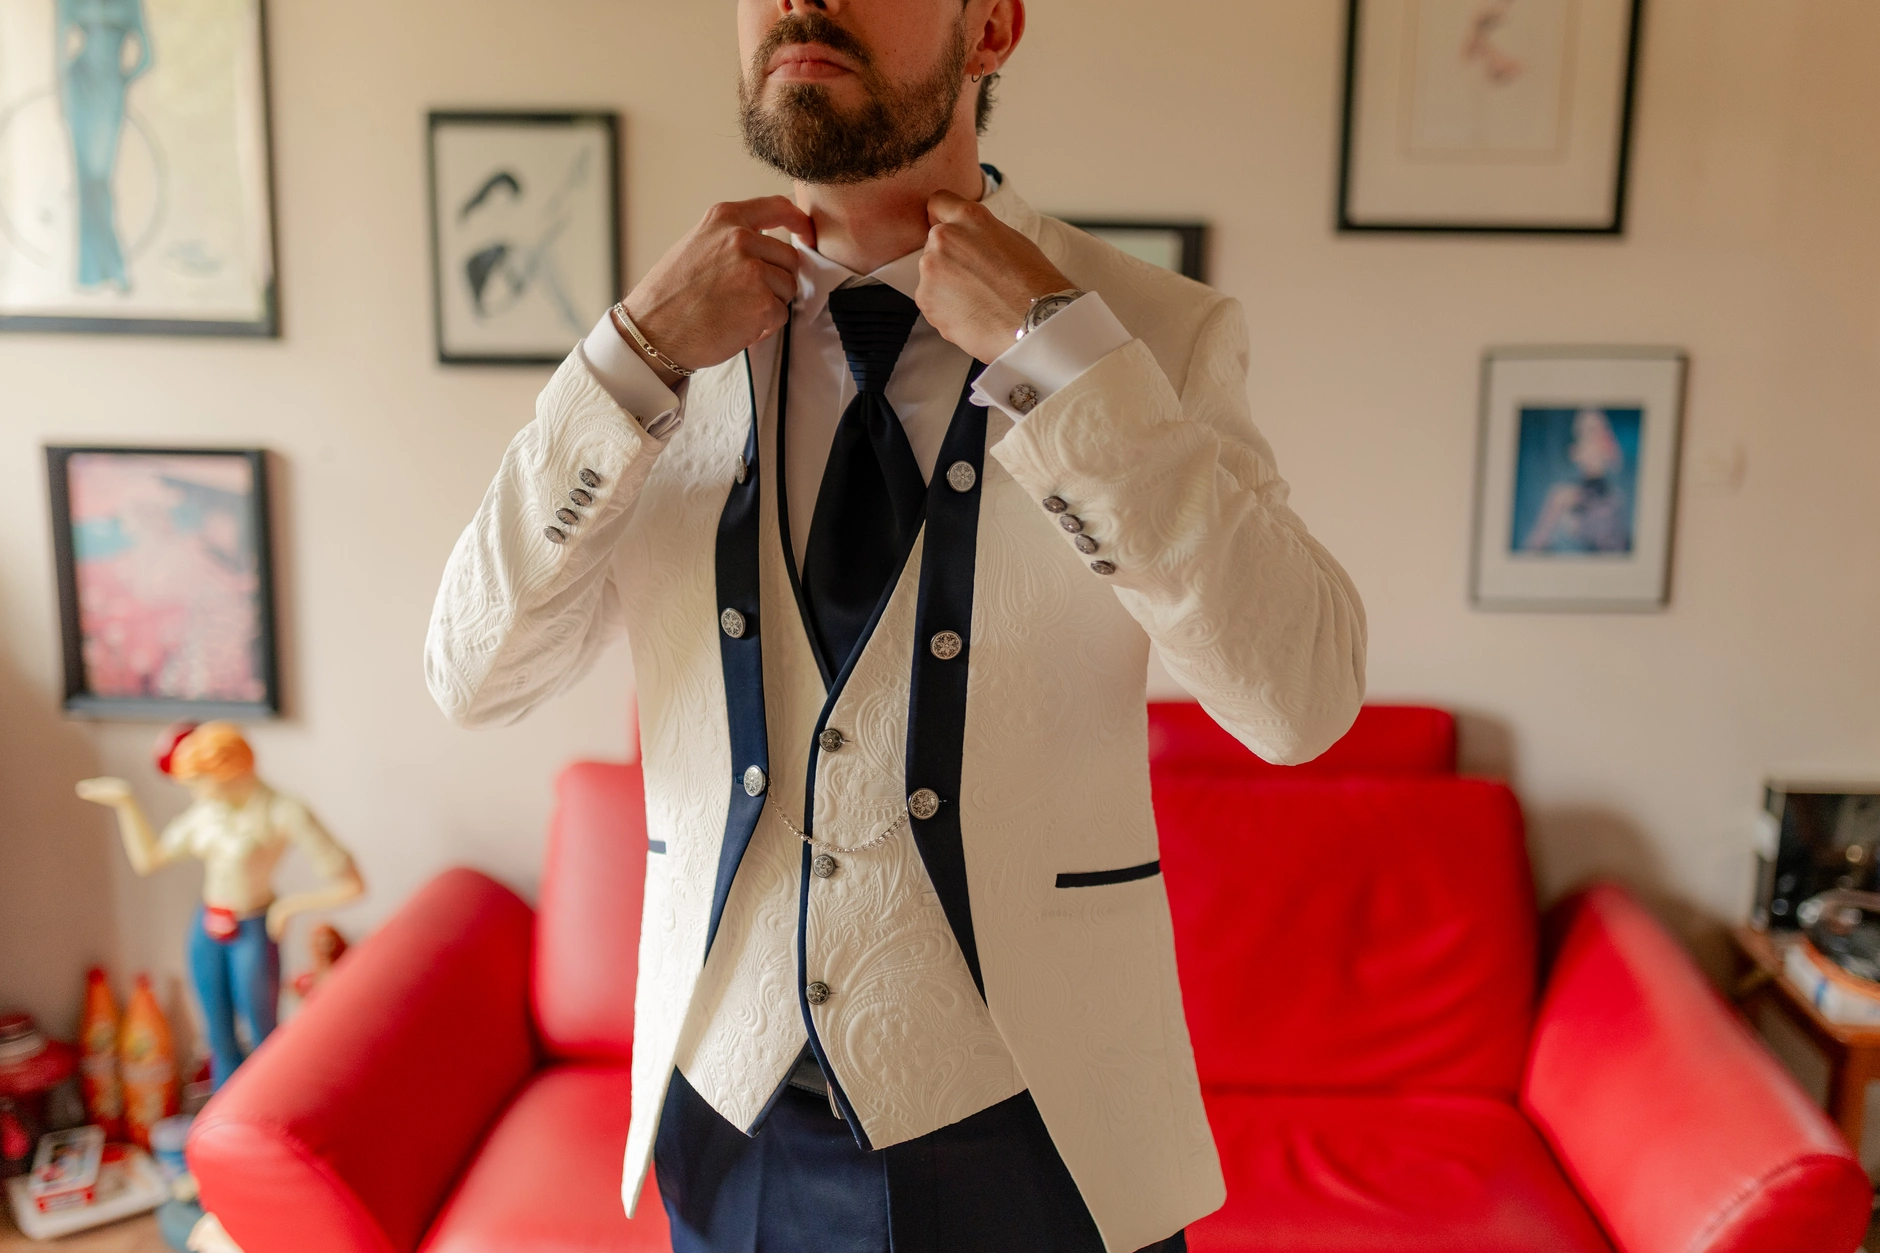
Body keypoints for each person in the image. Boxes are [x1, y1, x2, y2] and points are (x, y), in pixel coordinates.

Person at [425, 2, 1366, 1249]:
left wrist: (1062, 360)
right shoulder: (657, 347)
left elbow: (1299, 700)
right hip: (731, 1122)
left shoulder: (1153, 333)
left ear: (991, 25)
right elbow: (469, 675)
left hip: (1045, 1137)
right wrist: (631, 361)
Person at [75, 723, 365, 1089]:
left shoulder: (283, 811)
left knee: (264, 1034)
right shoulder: (209, 811)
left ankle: (268, 1111)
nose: (193, 792)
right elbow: (149, 859)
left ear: (225, 771)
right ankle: (222, 1119)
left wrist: (288, 907)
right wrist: (126, 803)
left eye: (198, 782)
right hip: (208, 924)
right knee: (217, 1035)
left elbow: (351, 885)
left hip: (253, 926)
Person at [56, 0, 153, 290]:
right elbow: (58, 49)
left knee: (99, 179)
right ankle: (97, 269)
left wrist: (121, 81)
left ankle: (109, 264)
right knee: (87, 180)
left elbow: (148, 55)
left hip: (109, 88)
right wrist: (62, 93)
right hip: (79, 84)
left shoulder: (130, 4)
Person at [1521, 407, 1633, 554]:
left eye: (1604, 430)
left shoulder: (1618, 499)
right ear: (1575, 451)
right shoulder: (1562, 497)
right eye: (1591, 432)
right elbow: (1531, 550)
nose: (1599, 440)